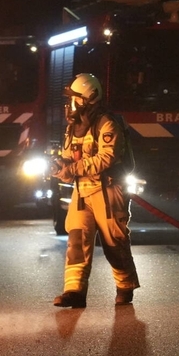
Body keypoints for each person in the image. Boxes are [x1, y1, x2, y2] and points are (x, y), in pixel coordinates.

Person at [51, 73, 140, 307]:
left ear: (88, 98)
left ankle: (125, 285)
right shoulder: (75, 127)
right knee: (77, 240)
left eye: (75, 98)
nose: (70, 103)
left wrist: (73, 169)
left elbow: (107, 158)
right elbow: (70, 156)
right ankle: (74, 291)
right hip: (82, 192)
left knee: (114, 244)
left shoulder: (107, 123)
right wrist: (60, 165)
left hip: (108, 192)